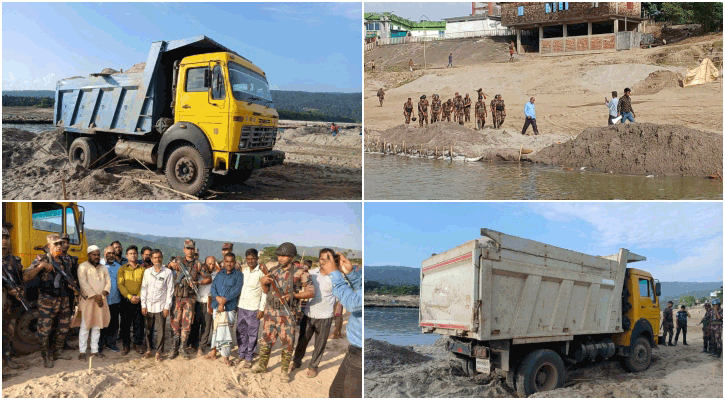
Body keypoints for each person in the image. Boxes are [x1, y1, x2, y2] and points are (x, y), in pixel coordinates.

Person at [253, 242, 314, 383]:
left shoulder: (300, 272)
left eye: (284, 256)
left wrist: (292, 296)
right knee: (266, 340)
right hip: (270, 312)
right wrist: (263, 282)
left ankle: (284, 371)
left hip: (288, 313)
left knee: (287, 343)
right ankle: (262, 365)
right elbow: (266, 291)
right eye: (279, 255)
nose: (280, 258)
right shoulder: (273, 270)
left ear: (292, 257)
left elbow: (311, 292)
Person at [23, 234, 76, 368]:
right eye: (56, 244)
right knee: (44, 330)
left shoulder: (65, 261)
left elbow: (68, 277)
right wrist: (40, 267)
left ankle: (58, 352)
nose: (59, 246)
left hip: (63, 298)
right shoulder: (41, 259)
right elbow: (26, 276)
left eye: (60, 243)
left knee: (63, 327)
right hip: (47, 300)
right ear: (48, 246)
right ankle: (46, 356)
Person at [291, 249, 337, 378]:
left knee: (320, 343)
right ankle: (296, 362)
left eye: (327, 259)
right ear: (318, 259)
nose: (324, 262)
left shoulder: (336, 277)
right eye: (322, 258)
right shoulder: (311, 273)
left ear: (332, 260)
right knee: (302, 340)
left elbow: (338, 297)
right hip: (309, 313)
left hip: (325, 316)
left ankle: (313, 366)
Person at [324, 253, 362, 398]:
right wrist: (351, 274)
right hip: (353, 350)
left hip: (360, 352)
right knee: (336, 392)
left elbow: (354, 303)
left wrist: (335, 274)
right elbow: (361, 291)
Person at [205, 253, 243, 365]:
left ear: (235, 262)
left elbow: (236, 290)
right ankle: (213, 351)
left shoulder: (239, 275)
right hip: (216, 305)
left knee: (226, 331)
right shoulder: (219, 274)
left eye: (231, 261)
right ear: (224, 262)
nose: (229, 263)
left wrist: (224, 300)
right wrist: (217, 298)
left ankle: (225, 356)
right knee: (216, 329)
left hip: (229, 307)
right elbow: (213, 287)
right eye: (227, 261)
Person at [76, 245, 111, 361]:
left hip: (101, 300)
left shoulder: (103, 268)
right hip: (88, 300)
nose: (96, 257)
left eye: (97, 254)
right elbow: (83, 283)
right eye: (94, 254)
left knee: (97, 325)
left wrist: (104, 293)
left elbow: (108, 282)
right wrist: (96, 297)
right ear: (88, 255)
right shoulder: (83, 267)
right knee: (85, 325)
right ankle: (82, 351)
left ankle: (94, 350)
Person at [168, 239, 200, 360]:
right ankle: (174, 348)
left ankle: (183, 347)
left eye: (191, 248)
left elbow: (207, 278)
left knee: (186, 324)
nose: (189, 250)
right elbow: (166, 268)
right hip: (177, 297)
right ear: (184, 249)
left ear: (194, 249)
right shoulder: (178, 261)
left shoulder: (198, 264)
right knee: (175, 323)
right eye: (187, 248)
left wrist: (197, 282)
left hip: (190, 298)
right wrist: (171, 264)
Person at [140, 250, 173, 362]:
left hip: (161, 306)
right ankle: (149, 349)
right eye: (154, 258)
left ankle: (159, 352)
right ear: (151, 259)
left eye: (159, 257)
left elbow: (170, 291)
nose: (157, 260)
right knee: (148, 330)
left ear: (162, 258)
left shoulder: (167, 272)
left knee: (161, 331)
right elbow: (144, 289)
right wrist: (143, 305)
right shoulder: (147, 272)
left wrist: (167, 307)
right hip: (148, 306)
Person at [236, 249, 267, 368]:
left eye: (253, 258)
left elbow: (264, 292)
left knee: (252, 333)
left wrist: (261, 309)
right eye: (248, 259)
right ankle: (241, 354)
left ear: (257, 259)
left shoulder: (261, 273)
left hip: (254, 308)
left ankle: (249, 357)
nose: (250, 261)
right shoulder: (245, 271)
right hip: (242, 306)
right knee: (241, 331)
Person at [2, 226, 27, 371]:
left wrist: (19, 290)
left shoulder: (15, 260)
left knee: (8, 333)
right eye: (1, 237)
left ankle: (8, 360)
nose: (4, 241)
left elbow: (20, 280)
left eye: (6, 238)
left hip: (10, 306)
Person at [117, 245, 146, 355]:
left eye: (134, 253)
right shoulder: (122, 269)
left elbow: (145, 285)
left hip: (139, 300)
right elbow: (120, 285)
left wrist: (138, 296)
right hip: (126, 300)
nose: (133, 255)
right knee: (125, 324)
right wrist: (130, 297)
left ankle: (137, 344)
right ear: (127, 256)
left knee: (139, 323)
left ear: (137, 255)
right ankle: (126, 345)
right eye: (130, 253)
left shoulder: (143, 269)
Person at [189, 256, 215, 356]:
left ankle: (201, 347)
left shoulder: (215, 275)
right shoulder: (199, 274)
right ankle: (194, 345)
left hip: (209, 303)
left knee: (206, 326)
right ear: (205, 263)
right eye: (209, 264)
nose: (211, 266)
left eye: (213, 264)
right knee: (195, 324)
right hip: (197, 302)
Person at [100, 246, 122, 353]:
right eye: (109, 253)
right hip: (101, 301)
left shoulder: (118, 267)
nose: (111, 255)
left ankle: (111, 343)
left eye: (113, 253)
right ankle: (99, 345)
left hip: (115, 300)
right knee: (101, 323)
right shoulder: (98, 266)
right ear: (104, 253)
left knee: (113, 323)